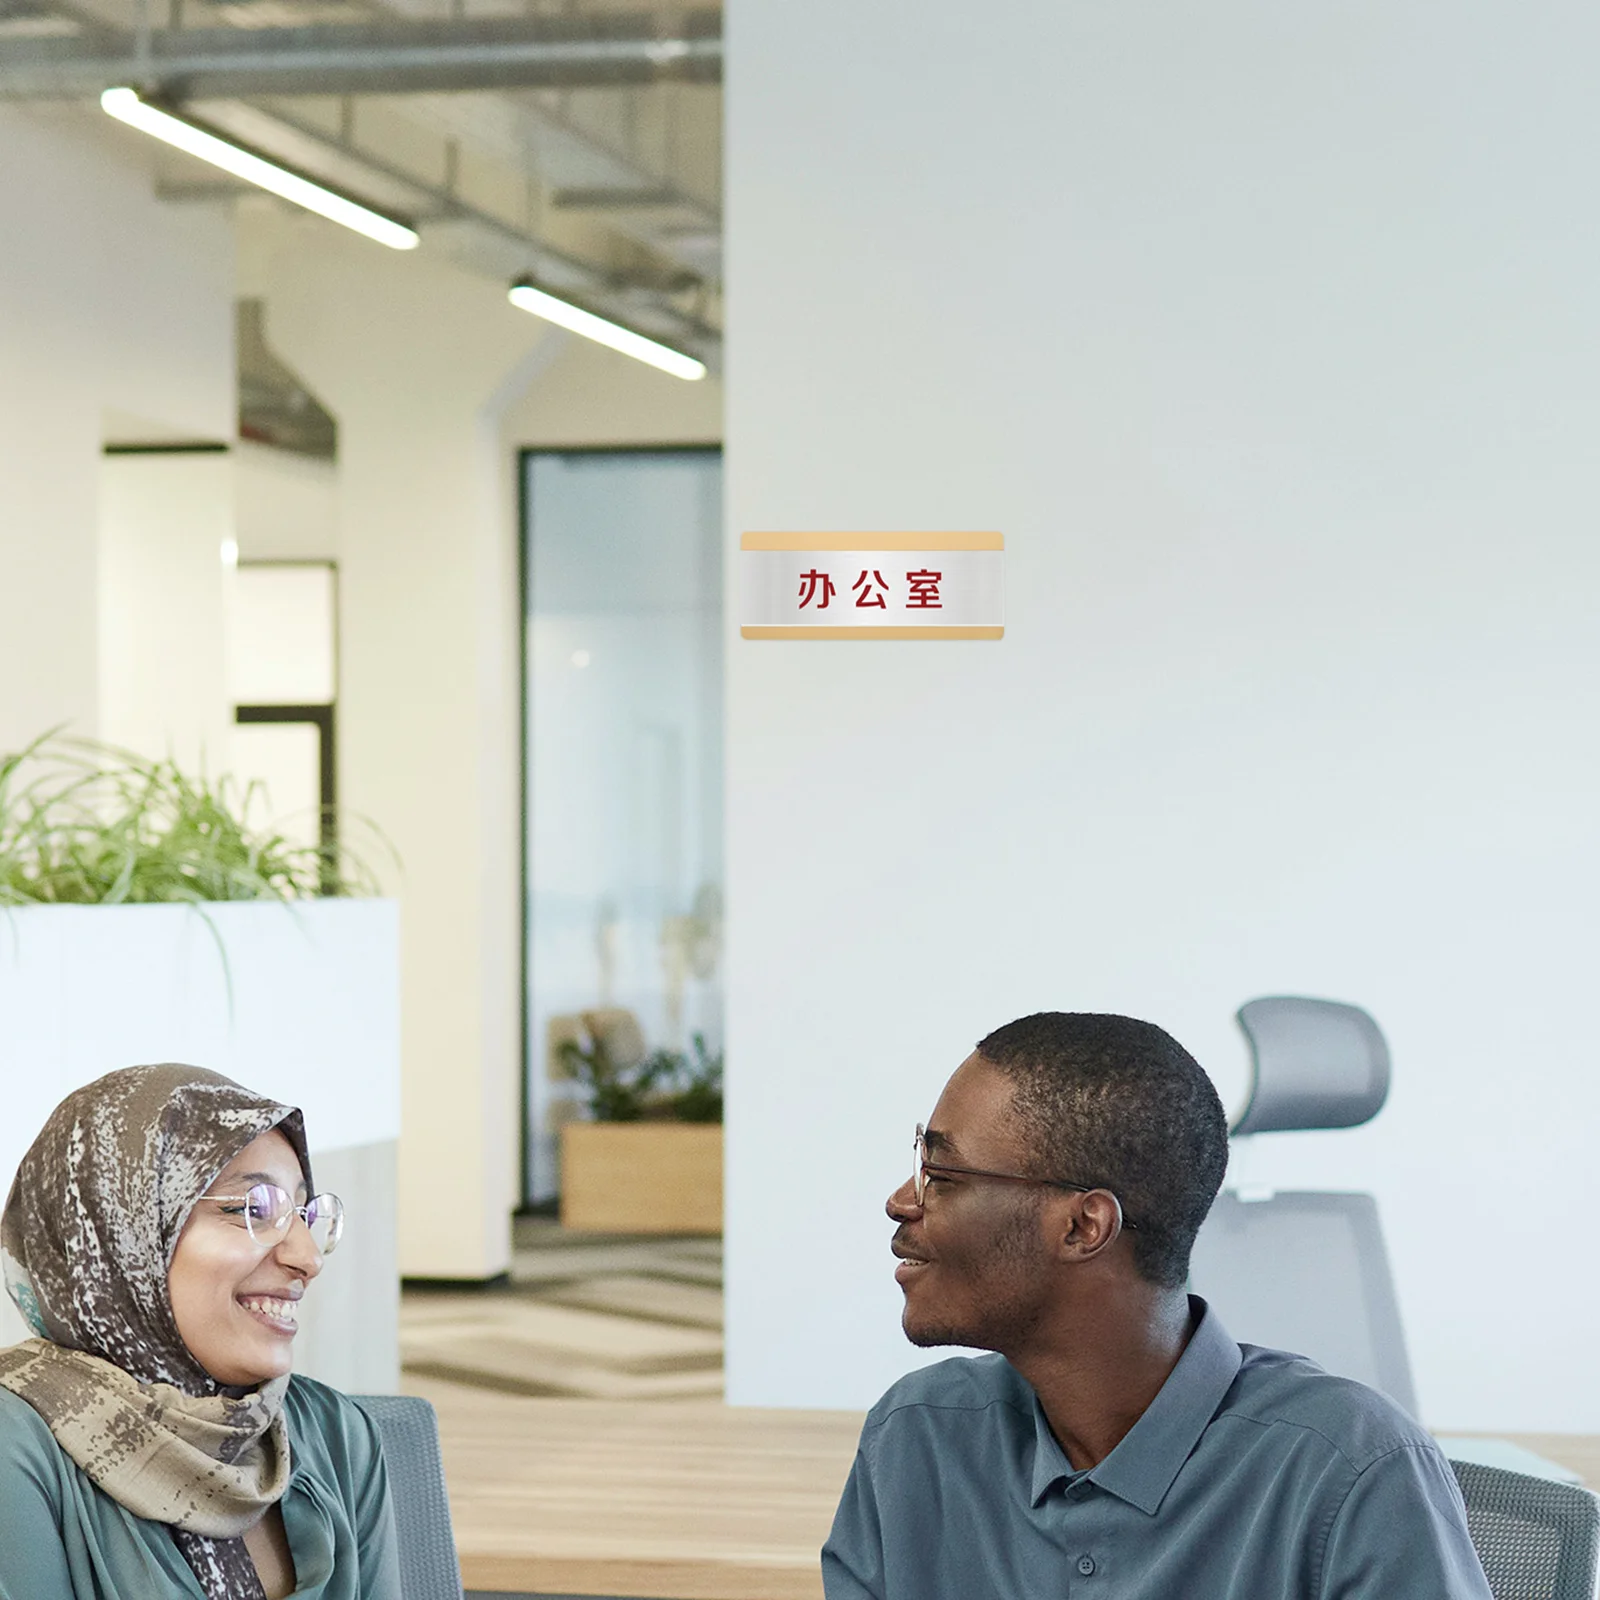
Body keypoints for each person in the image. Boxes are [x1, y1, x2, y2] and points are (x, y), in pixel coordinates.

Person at [823, 1012, 1493, 1600]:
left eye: (941, 1177)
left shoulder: (1353, 1473)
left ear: (1085, 1227)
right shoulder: (916, 1440)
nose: (901, 1202)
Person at [0, 1063, 401, 1600]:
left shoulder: (334, 1434)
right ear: (120, 1237)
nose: (307, 1257)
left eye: (303, 1213)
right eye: (254, 1208)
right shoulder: (18, 1447)